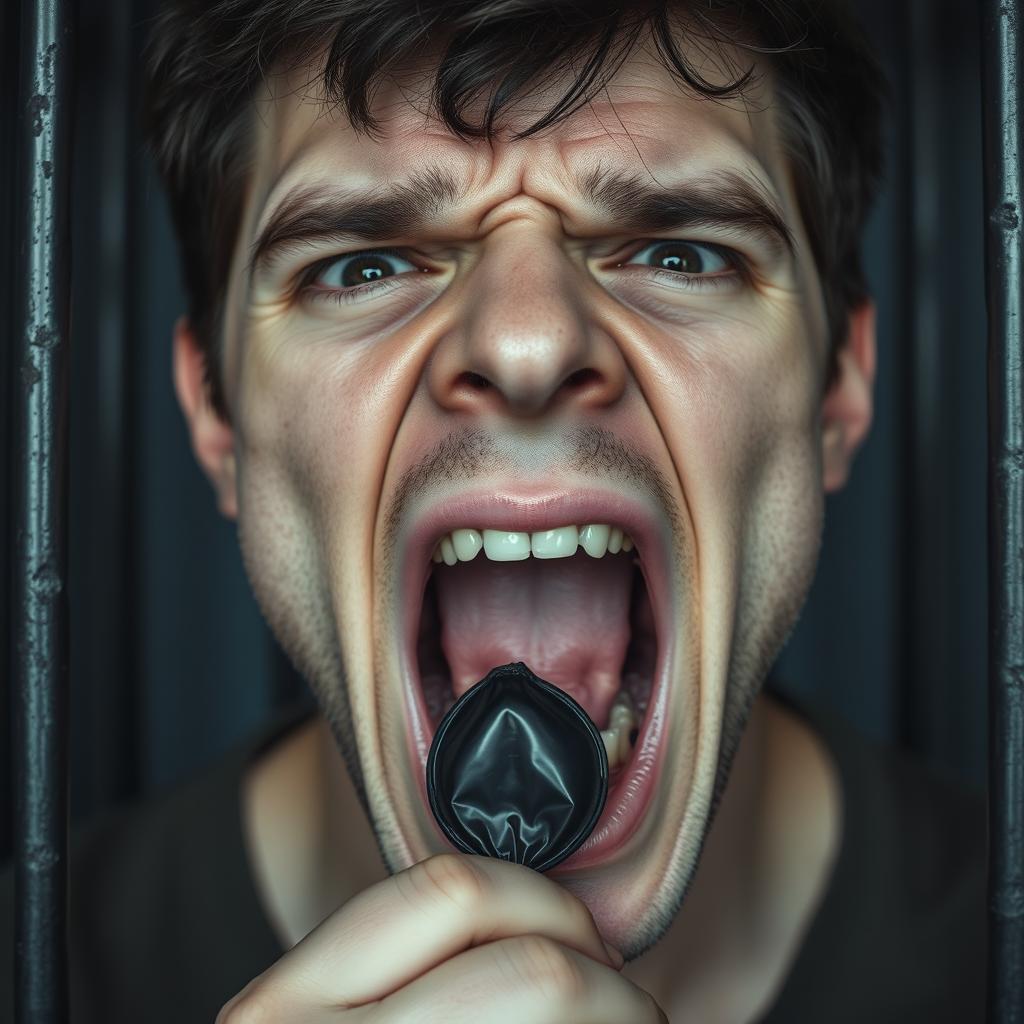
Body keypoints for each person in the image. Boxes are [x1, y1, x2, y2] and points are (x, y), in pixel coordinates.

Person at [0, 1, 985, 1020]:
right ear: (217, 417)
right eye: (362, 266)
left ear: (836, 391)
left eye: (678, 252)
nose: (526, 344)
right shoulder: (39, 976)